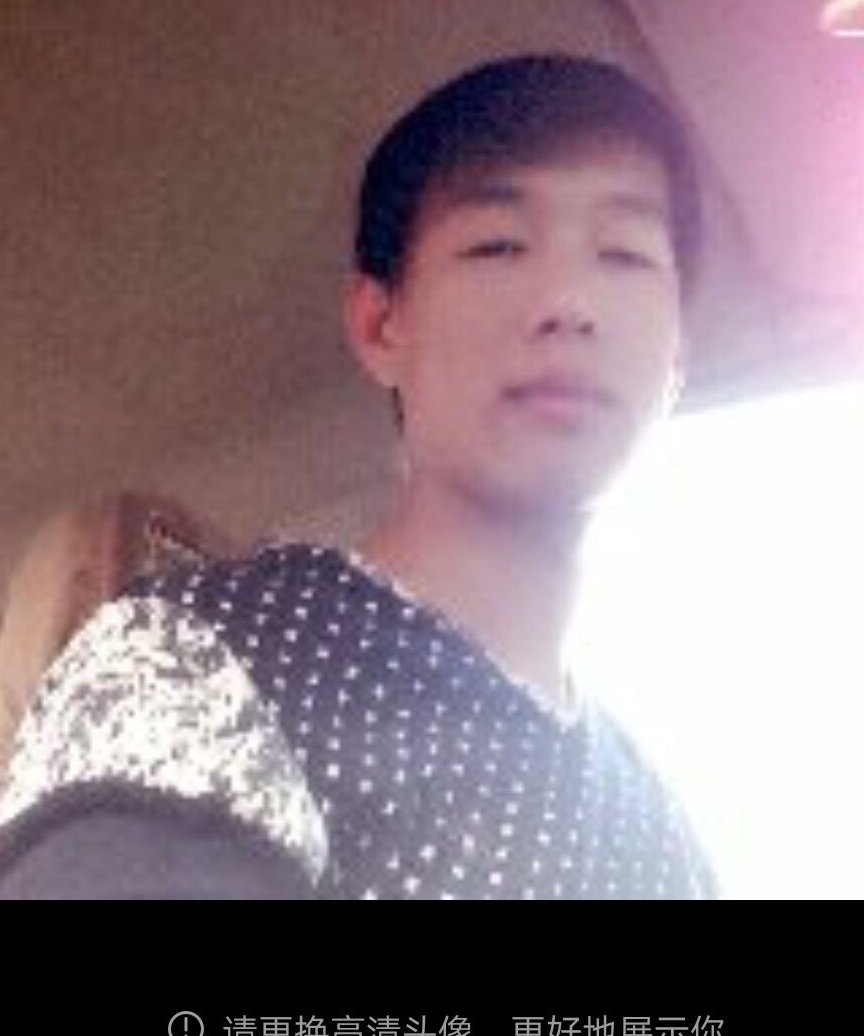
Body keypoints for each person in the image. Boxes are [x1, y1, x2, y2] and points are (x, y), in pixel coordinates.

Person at [0, 53, 715, 899]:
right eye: (498, 246)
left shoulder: (666, 837)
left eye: (624, 255)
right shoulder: (201, 653)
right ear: (380, 326)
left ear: (677, 357)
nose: (568, 302)